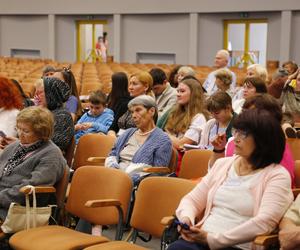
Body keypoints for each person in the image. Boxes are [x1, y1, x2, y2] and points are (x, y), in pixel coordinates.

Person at [168, 109, 293, 250]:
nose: (236, 138)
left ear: (263, 140)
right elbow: (192, 200)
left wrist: (213, 239)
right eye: (236, 131)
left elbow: (264, 222)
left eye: (244, 134)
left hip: (237, 246)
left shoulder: (277, 175)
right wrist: (187, 219)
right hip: (201, 239)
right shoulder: (224, 164)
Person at [210, 94, 295, 187]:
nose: (245, 118)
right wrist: (219, 149)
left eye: (252, 114)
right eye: (244, 113)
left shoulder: (278, 149)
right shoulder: (232, 141)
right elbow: (214, 175)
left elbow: (282, 185)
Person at [0, 106, 65, 221]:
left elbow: (29, 188)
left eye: (26, 131)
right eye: (18, 128)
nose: (20, 134)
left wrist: (1, 198)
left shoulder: (51, 155)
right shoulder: (15, 146)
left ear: (41, 132)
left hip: (18, 209)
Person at [105, 95, 172, 184]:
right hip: (114, 176)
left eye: (138, 110)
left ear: (151, 111)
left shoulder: (162, 139)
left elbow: (159, 171)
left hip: (137, 183)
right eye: (132, 112)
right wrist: (113, 170)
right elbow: (113, 153)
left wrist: (130, 179)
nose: (133, 116)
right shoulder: (128, 132)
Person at [158, 78, 209, 150]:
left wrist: (160, 134)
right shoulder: (174, 112)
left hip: (185, 158)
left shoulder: (199, 118)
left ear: (193, 94)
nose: (178, 94)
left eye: (182, 91)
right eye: (178, 91)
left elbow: (181, 145)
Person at [34, 77, 74, 151]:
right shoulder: (41, 113)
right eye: (35, 93)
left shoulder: (63, 116)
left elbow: (55, 145)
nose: (36, 97)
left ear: (51, 95)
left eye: (39, 93)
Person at [109, 71, 153, 136]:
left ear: (146, 87)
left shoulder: (149, 107)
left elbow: (145, 134)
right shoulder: (125, 103)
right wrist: (112, 136)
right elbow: (112, 128)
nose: (130, 87)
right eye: (130, 84)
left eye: (134, 84)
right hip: (117, 140)